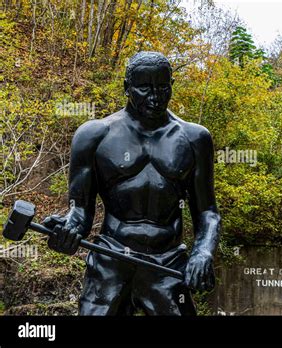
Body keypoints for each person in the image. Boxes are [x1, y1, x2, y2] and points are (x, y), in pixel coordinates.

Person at [43, 51, 221, 315]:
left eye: (162, 87)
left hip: (167, 263)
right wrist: (68, 230)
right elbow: (79, 210)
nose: (155, 96)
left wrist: (203, 251)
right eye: (144, 87)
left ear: (172, 85)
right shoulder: (93, 136)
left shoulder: (195, 139)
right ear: (126, 87)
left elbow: (207, 212)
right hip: (111, 259)